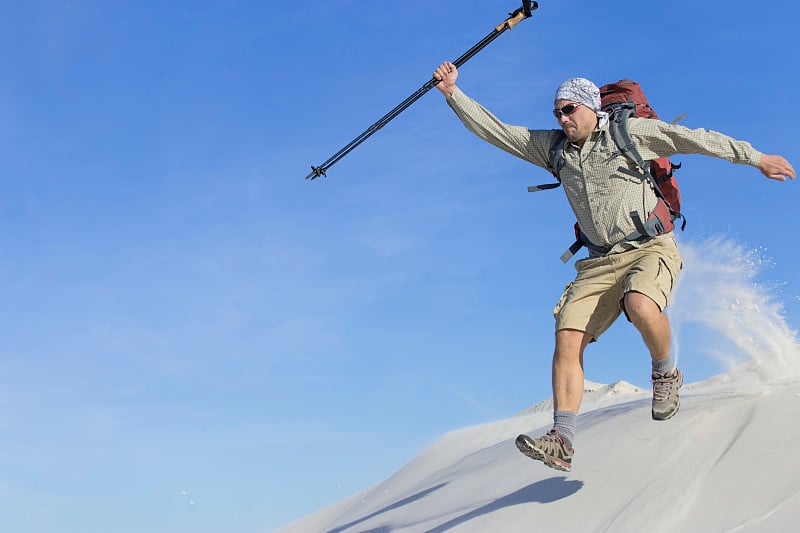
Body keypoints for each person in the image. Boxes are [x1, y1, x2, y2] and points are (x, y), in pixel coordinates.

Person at [432, 61, 796, 472]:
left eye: (569, 109)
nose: (562, 118)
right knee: (567, 337)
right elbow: (496, 131)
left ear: (591, 108)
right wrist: (452, 94)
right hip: (597, 263)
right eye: (557, 112)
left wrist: (756, 158)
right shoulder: (553, 149)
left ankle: (665, 375)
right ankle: (562, 439)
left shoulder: (630, 134)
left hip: (649, 248)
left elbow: (695, 139)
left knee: (640, 305)